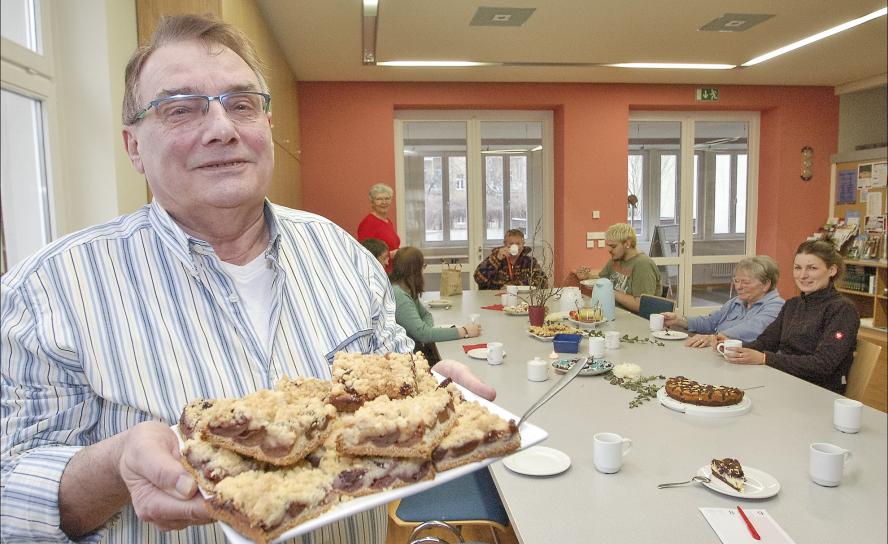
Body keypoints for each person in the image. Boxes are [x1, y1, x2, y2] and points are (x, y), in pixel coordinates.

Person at [0, 15, 494, 544]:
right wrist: (116, 463)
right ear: (134, 146)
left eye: (241, 104)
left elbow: (395, 373)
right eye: (180, 108)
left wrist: (431, 393)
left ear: (266, 124)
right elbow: (12, 497)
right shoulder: (47, 290)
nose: (222, 128)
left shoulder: (341, 254)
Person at [721, 240, 859, 394]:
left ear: (832, 270)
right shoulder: (793, 305)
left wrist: (765, 358)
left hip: (818, 392)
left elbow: (823, 364)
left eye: (812, 268)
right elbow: (766, 342)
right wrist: (733, 348)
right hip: (783, 380)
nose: (803, 275)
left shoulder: (842, 309)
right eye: (798, 268)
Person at [662, 256, 784, 347]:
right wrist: (679, 320)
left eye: (745, 282)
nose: (738, 287)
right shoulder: (736, 302)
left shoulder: (777, 306)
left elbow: (751, 329)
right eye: (736, 281)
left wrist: (715, 338)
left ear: (766, 284)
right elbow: (710, 322)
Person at [390, 247, 481, 362]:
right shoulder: (400, 295)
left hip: (414, 350)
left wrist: (425, 331)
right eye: (423, 266)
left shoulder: (406, 288)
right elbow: (423, 334)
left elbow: (426, 316)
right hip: (407, 357)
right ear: (415, 270)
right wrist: (464, 331)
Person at [571, 223, 660, 313]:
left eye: (613, 246)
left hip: (635, 320)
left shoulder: (643, 265)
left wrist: (608, 290)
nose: (609, 250)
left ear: (627, 244)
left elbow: (641, 305)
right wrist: (588, 277)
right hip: (613, 313)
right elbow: (602, 281)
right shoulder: (616, 260)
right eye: (608, 245)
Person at [473, 229, 546, 290]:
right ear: (505, 244)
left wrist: (514, 286)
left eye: (518, 243)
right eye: (511, 244)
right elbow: (478, 278)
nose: (515, 246)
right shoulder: (494, 259)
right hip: (495, 298)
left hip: (522, 299)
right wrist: (496, 259)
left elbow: (543, 281)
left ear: (523, 245)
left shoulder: (529, 262)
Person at [357, 183, 400, 271]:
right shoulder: (368, 223)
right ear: (372, 202)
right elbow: (365, 253)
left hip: (392, 271)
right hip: (378, 273)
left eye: (387, 198)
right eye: (379, 199)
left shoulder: (388, 221)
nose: (384, 202)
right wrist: (390, 254)